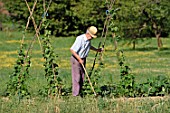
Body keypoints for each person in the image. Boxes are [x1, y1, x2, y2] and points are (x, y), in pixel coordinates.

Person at [70, 26, 103, 96]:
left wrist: (97, 50)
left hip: (83, 59)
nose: (92, 38)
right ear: (87, 33)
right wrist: (79, 59)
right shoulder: (80, 39)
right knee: (77, 77)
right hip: (76, 59)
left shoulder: (88, 40)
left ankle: (80, 93)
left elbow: (89, 46)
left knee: (82, 77)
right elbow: (72, 50)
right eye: (91, 36)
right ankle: (75, 95)